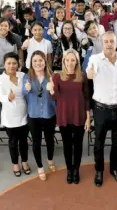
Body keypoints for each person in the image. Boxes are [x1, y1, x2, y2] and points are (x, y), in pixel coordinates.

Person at [86, 31, 117, 187]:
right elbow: (89, 74)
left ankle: (114, 169)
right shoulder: (95, 59)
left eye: (112, 41)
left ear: (116, 43)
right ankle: (99, 171)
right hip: (101, 109)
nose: (109, 44)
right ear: (102, 43)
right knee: (99, 143)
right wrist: (90, 72)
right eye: (106, 42)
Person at [48, 49, 90, 184]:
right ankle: (69, 170)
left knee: (78, 145)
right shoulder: (57, 76)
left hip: (79, 115)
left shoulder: (82, 76)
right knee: (67, 145)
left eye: (73, 60)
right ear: (63, 61)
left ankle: (76, 169)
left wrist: (89, 118)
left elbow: (87, 97)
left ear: (77, 61)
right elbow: (55, 97)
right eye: (67, 60)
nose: (70, 63)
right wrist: (51, 90)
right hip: (64, 115)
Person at [0, 52, 30, 177]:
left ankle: (25, 162)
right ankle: (15, 163)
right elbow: (0, 97)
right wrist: (7, 97)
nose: (12, 66)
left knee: (24, 141)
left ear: (18, 64)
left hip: (24, 113)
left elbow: (28, 92)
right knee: (13, 142)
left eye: (14, 63)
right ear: (4, 65)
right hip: (9, 116)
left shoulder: (23, 76)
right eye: (8, 63)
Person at [22, 51, 56, 181]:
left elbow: (56, 96)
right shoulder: (27, 77)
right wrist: (27, 89)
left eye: (40, 60)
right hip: (34, 115)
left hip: (49, 114)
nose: (38, 63)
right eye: (35, 61)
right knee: (36, 142)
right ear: (31, 63)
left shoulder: (52, 76)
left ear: (45, 61)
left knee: (49, 140)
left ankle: (50, 159)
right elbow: (24, 93)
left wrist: (52, 90)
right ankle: (40, 167)